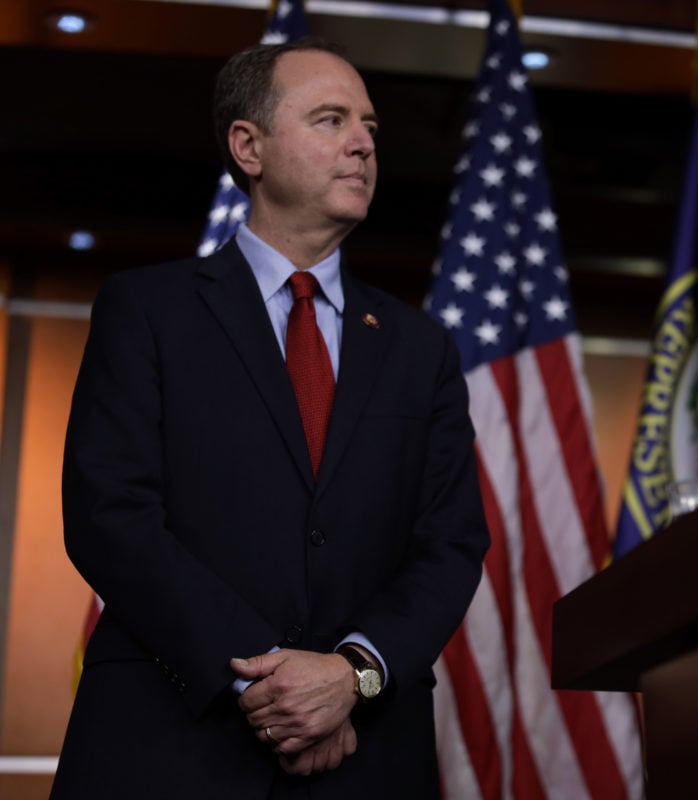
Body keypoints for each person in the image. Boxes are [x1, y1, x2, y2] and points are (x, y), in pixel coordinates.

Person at [53, 38, 489, 798]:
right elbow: (109, 513)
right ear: (248, 146)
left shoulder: (421, 348)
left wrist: (350, 675)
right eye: (330, 119)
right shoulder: (147, 310)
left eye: (370, 128)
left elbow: (450, 544)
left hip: (368, 756)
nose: (362, 143)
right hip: (170, 741)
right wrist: (272, 682)